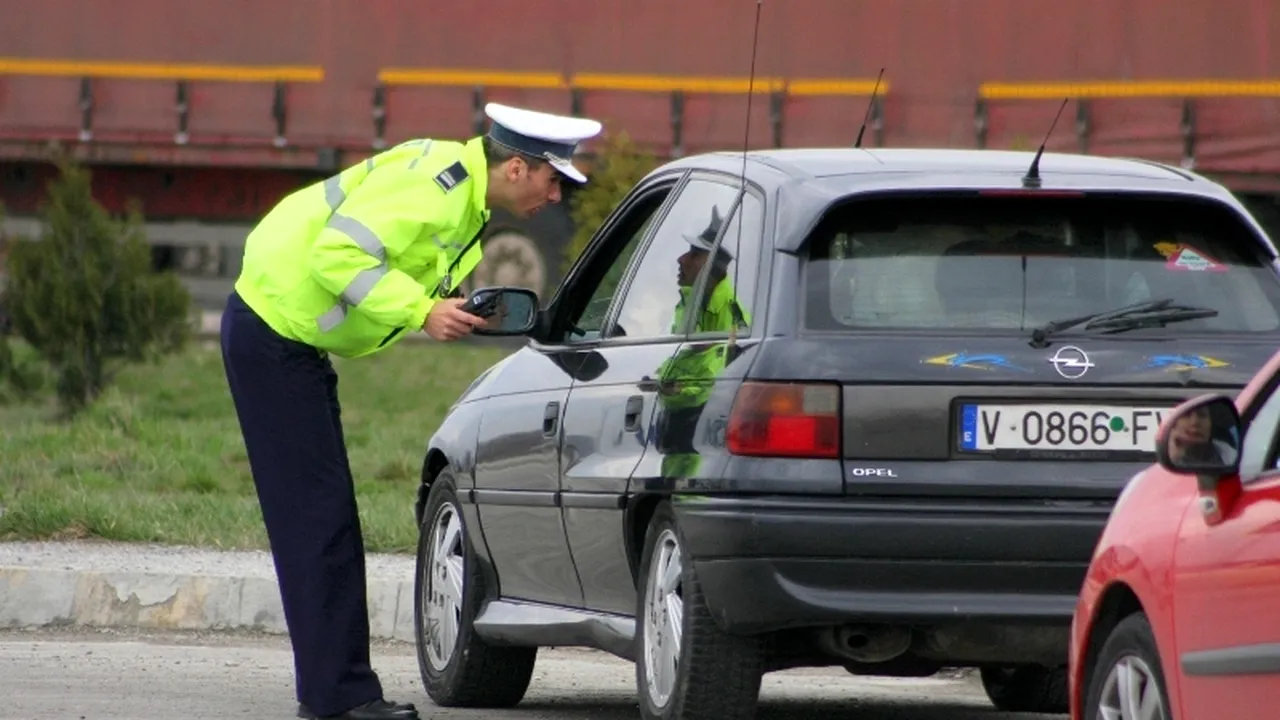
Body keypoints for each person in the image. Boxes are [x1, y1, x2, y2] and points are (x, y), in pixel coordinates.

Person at [219, 103, 602, 720]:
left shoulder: (459, 188)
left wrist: (431, 301)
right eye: (552, 180)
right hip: (274, 335)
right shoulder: (441, 188)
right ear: (515, 168)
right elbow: (336, 256)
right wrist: (420, 311)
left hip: (285, 337)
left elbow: (376, 258)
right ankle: (338, 700)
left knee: (322, 520)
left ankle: (333, 692)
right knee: (320, 523)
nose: (555, 196)